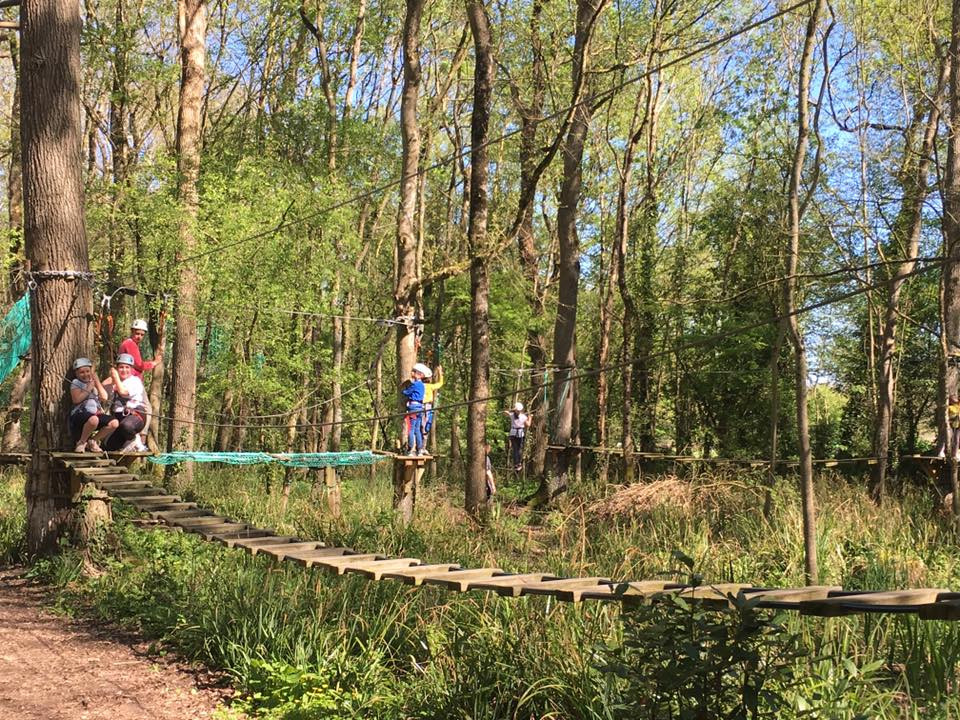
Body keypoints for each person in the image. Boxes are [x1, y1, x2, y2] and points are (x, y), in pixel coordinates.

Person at [69, 357, 118, 453]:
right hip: (80, 413)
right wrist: (89, 387)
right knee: (94, 420)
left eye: (88, 371)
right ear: (76, 374)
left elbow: (104, 397)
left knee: (114, 423)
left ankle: (93, 441)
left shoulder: (93, 383)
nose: (85, 374)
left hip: (94, 413)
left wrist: (97, 382)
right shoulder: (76, 382)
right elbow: (76, 400)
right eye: (82, 372)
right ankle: (82, 442)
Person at [102, 353, 149, 452]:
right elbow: (102, 392)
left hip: (136, 416)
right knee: (107, 445)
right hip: (120, 418)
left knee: (126, 426)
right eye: (121, 367)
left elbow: (123, 392)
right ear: (117, 368)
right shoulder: (114, 381)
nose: (124, 370)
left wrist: (116, 378)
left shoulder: (135, 381)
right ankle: (128, 442)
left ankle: (135, 440)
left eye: (127, 367)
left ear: (131, 369)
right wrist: (111, 378)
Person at [401, 363, 430, 456]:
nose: (412, 373)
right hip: (420, 408)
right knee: (417, 429)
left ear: (420, 375)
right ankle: (420, 449)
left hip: (413, 408)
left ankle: (411, 450)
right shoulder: (422, 385)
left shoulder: (415, 384)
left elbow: (406, 392)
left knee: (411, 429)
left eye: (414, 372)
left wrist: (403, 390)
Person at [504, 402, 532, 471]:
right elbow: (528, 424)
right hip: (518, 434)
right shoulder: (523, 417)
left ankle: (517, 464)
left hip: (514, 434)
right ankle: (518, 464)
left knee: (515, 449)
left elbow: (505, 412)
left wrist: (511, 410)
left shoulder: (512, 415)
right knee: (518, 449)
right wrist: (530, 418)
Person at [422, 364, 443, 437]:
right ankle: (423, 441)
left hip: (421, 405)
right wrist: (440, 372)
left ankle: (421, 440)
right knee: (426, 423)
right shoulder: (430, 386)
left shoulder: (419, 385)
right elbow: (440, 383)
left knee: (422, 423)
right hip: (427, 405)